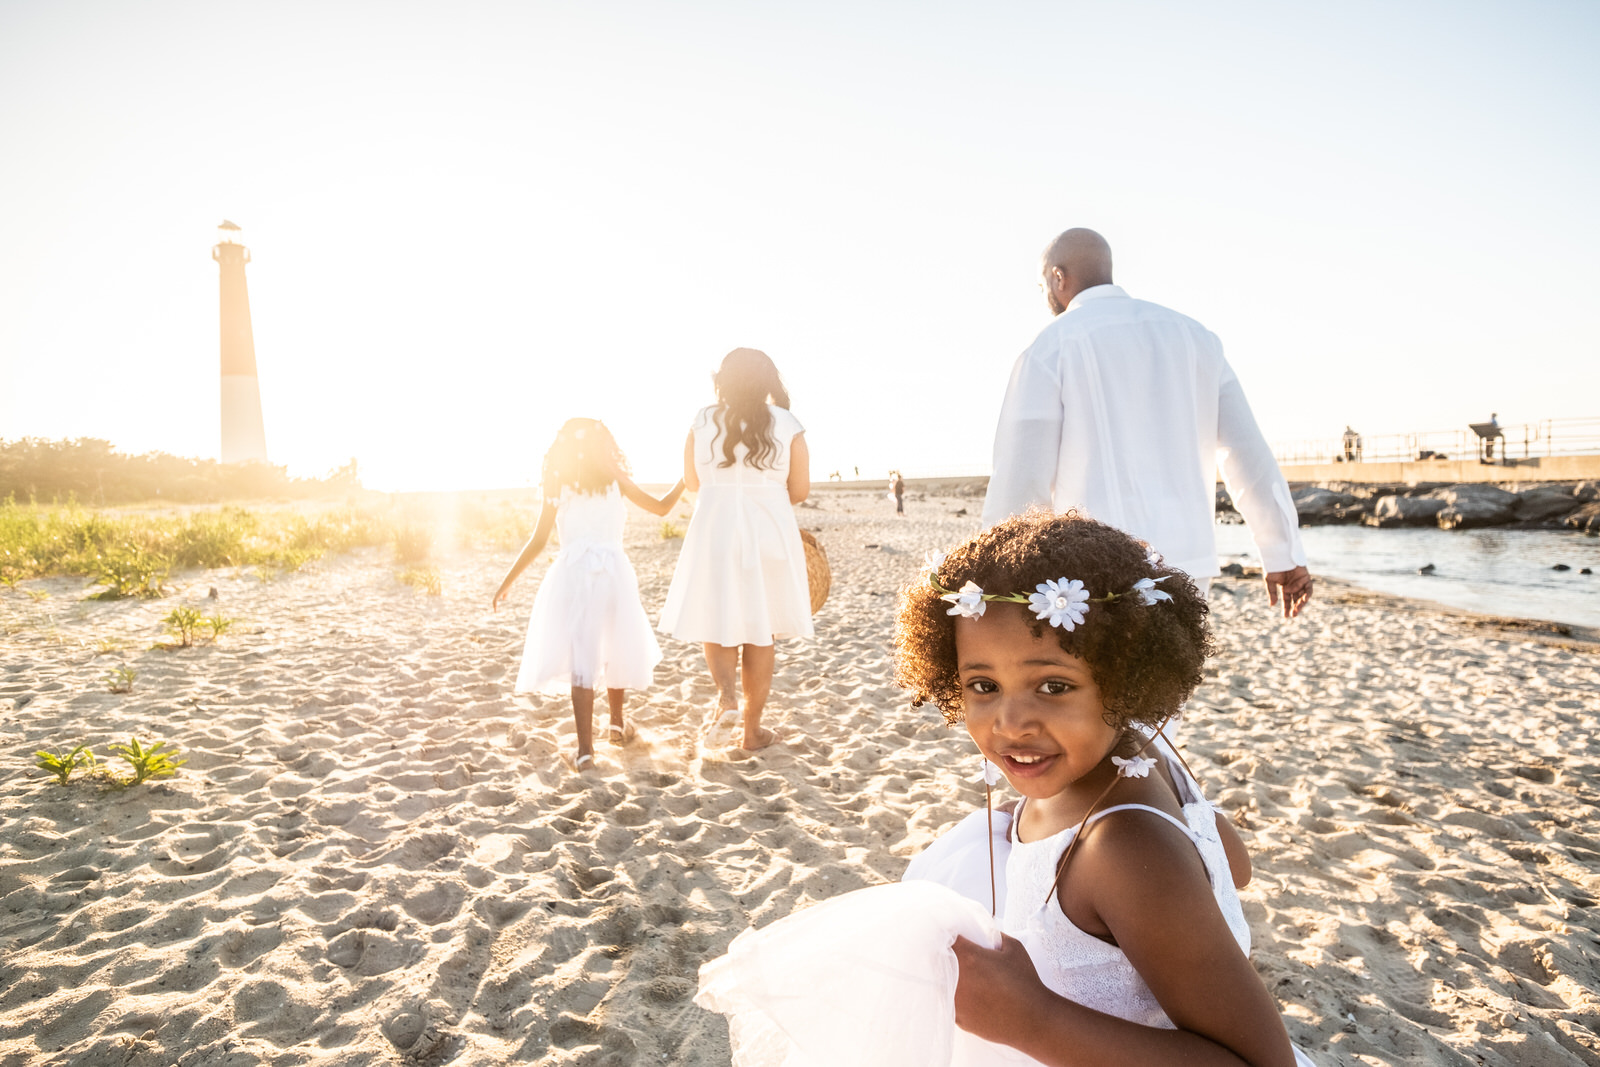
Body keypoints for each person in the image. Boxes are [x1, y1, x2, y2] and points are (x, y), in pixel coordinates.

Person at [696, 514, 1313, 1066]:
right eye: (983, 686)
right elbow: (1232, 864)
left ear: (1127, 679)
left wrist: (1034, 1020)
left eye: (1053, 686)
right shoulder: (1145, 753)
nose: (1010, 723)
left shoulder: (1121, 848)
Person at [983, 228, 1312, 618]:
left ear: (1058, 277)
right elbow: (1245, 453)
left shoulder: (1051, 345)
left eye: (1042, 285)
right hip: (1188, 565)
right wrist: (1282, 551)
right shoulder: (1196, 338)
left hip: (1091, 570)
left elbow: (1020, 474)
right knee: (1175, 679)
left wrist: (1000, 575)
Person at [492, 418, 685, 770]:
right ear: (604, 447)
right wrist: (685, 479)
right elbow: (661, 508)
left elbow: (538, 540)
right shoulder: (616, 479)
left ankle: (585, 751)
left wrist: (509, 580)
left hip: (574, 574)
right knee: (615, 644)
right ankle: (615, 720)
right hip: (614, 572)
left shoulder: (558, 485)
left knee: (584, 657)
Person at [659, 348, 812, 751]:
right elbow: (799, 490)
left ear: (722, 380)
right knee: (762, 630)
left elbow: (692, 483)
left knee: (718, 619)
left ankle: (726, 697)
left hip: (715, 528)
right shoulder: (788, 423)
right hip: (769, 531)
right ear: (768, 381)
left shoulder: (702, 420)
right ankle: (752, 731)